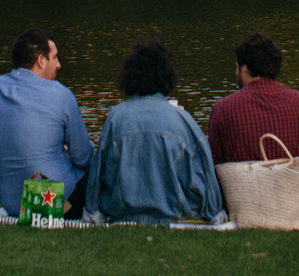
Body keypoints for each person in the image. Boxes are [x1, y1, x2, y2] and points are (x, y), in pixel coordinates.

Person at [83, 40, 226, 225]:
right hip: (177, 218)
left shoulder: (115, 117)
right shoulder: (184, 121)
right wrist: (214, 212)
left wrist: (92, 213)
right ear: (167, 75)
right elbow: (204, 175)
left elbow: (98, 175)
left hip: (124, 216)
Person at [0, 28, 94, 218]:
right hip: (58, 205)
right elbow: (83, 157)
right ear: (40, 60)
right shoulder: (61, 94)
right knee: (103, 163)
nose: (58, 65)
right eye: (54, 58)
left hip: (16, 207)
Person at [207, 32, 299, 164]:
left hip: (242, 184)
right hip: (293, 183)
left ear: (244, 70)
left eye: (237, 67)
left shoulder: (223, 109)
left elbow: (213, 164)